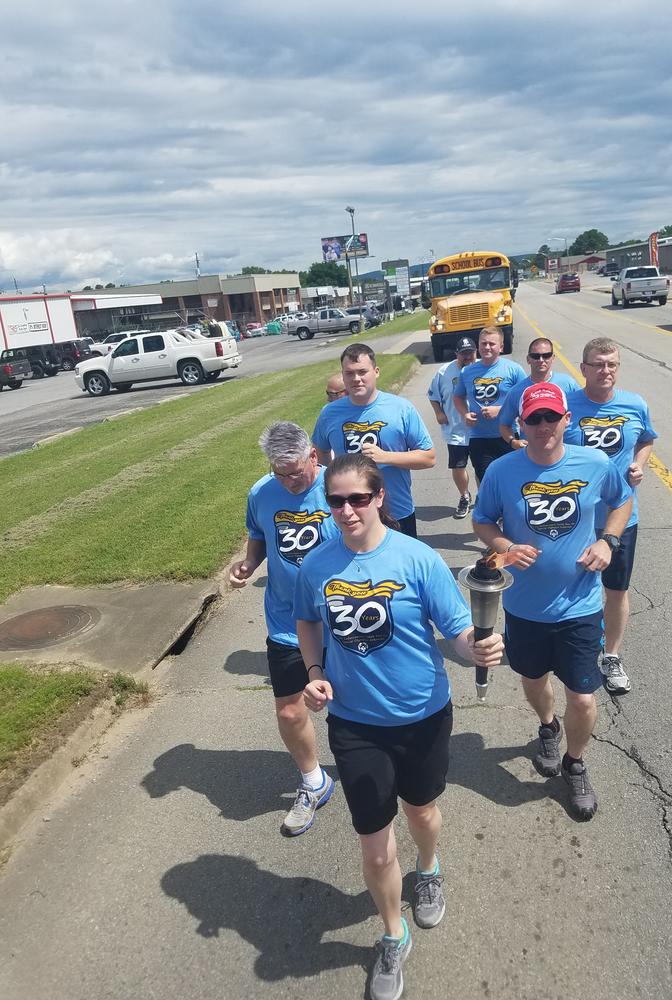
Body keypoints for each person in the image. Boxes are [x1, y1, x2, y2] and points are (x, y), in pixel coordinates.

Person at [295, 453, 504, 1000]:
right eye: (335, 501)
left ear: (379, 497)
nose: (345, 511)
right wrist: (314, 672)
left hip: (423, 716)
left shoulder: (418, 559)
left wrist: (476, 649)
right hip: (355, 724)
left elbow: (457, 631)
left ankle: (430, 868)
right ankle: (393, 933)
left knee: (422, 813)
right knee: (376, 848)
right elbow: (307, 621)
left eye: (357, 499)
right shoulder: (316, 566)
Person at [472, 383, 632, 820]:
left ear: (567, 420)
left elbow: (622, 500)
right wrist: (504, 545)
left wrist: (608, 541)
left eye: (550, 417)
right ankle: (547, 727)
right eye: (534, 418)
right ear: (521, 424)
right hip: (524, 608)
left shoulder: (595, 462)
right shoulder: (504, 470)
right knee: (534, 680)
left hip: (580, 605)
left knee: (582, 696)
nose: (543, 426)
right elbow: (482, 520)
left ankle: (574, 763)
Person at [228, 421, 337, 837]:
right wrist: (249, 564)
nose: (290, 481)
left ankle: (378, 768)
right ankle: (314, 781)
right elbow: (259, 536)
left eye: (298, 471)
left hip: (344, 617)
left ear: (314, 456)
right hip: (287, 621)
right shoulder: (261, 492)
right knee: (290, 710)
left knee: (356, 707)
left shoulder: (339, 485)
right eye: (281, 473)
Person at [564, 337, 658, 695]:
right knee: (573, 587)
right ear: (584, 367)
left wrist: (638, 463)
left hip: (621, 518)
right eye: (599, 364)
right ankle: (575, 645)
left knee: (616, 591)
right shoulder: (568, 406)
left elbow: (647, 439)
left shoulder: (635, 404)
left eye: (613, 364)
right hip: (577, 520)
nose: (606, 370)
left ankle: (612, 656)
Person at [313, 343, 435, 538]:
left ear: (376, 372)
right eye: (349, 373)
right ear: (343, 376)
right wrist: (332, 480)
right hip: (350, 515)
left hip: (397, 512)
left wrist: (385, 457)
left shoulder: (401, 409)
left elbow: (428, 457)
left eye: (362, 372)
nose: (356, 379)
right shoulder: (329, 413)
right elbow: (321, 451)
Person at [452, 326, 525, 483]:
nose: (487, 347)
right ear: (478, 346)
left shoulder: (513, 370)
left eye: (492, 344)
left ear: (501, 347)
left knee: (511, 479)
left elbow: (526, 399)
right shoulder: (467, 372)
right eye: (483, 343)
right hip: (479, 437)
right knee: (487, 480)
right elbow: (457, 396)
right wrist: (465, 414)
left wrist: (500, 410)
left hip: (507, 435)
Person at [427, 336, 477, 518]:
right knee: (458, 467)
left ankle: (484, 499)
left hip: (480, 431)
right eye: (463, 354)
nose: (467, 357)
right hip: (456, 430)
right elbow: (432, 396)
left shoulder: (482, 369)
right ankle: (464, 496)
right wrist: (439, 413)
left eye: (470, 353)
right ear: (456, 354)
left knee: (482, 468)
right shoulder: (444, 372)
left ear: (475, 352)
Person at [498, 337, 579, 450]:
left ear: (553, 358)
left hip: (565, 451)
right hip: (533, 453)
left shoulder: (568, 383)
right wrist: (513, 442)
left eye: (546, 355)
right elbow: (504, 424)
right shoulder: (517, 391)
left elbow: (582, 412)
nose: (541, 360)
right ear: (528, 359)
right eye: (536, 356)